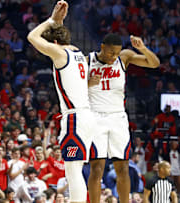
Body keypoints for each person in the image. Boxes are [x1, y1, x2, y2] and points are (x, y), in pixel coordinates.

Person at [27, 1, 96, 202]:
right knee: (76, 169)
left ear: (53, 44)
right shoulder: (79, 54)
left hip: (75, 117)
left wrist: (52, 20)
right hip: (86, 115)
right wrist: (59, 23)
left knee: (72, 170)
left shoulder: (60, 52)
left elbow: (32, 37)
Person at [87, 32, 160, 203]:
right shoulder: (87, 60)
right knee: (97, 168)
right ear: (102, 47)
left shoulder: (124, 57)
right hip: (95, 116)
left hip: (118, 117)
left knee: (123, 168)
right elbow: (71, 87)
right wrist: (88, 83)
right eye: (111, 52)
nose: (114, 57)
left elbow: (154, 63)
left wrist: (142, 48)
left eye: (117, 53)